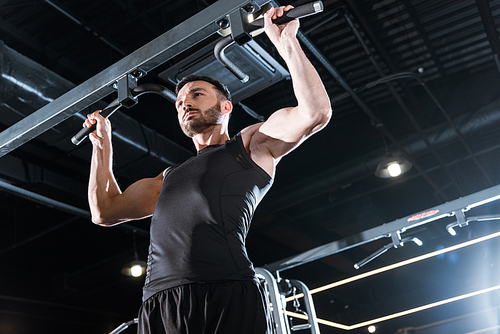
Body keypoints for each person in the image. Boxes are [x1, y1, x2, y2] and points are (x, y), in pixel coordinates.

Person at [83, 5, 331, 334]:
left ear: (225, 106)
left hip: (224, 292)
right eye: (180, 101)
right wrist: (102, 146)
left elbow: (315, 113)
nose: (185, 103)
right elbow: (104, 210)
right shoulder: (167, 178)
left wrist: (286, 41)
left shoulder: (250, 145)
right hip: (159, 303)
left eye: (196, 95)